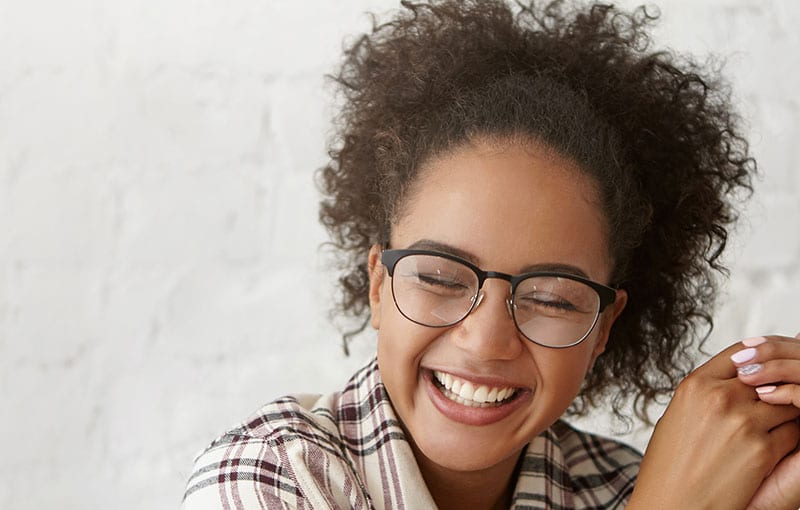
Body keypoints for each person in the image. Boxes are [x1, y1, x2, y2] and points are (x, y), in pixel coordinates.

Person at [182, 1, 800, 508]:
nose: (485, 340)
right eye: (441, 277)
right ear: (377, 286)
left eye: (552, 296)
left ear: (604, 326)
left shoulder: (620, 490)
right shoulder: (269, 476)